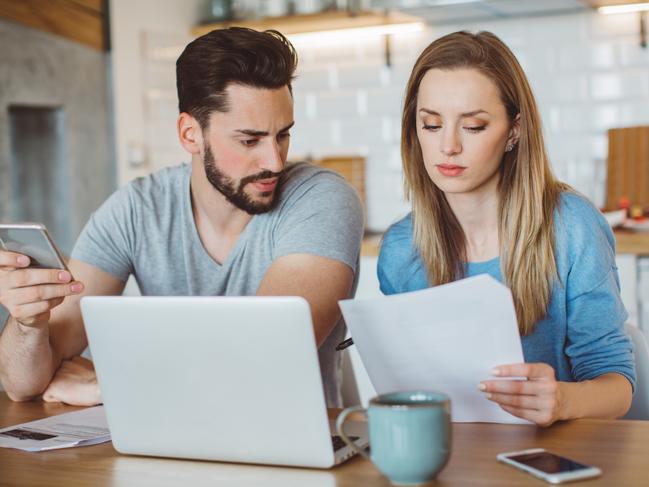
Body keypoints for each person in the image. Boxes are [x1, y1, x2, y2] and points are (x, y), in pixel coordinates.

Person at [0, 28, 363, 408]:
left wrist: (110, 387)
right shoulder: (135, 211)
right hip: (164, 448)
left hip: (291, 450)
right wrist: (30, 324)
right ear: (191, 134)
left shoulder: (322, 199)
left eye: (282, 135)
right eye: (249, 140)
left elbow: (266, 361)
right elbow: (22, 386)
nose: (274, 161)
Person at [378, 31, 635, 426]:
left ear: (514, 131)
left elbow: (617, 387)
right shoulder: (400, 249)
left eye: (474, 127)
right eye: (430, 125)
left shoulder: (571, 226)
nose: (448, 146)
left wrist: (563, 400)